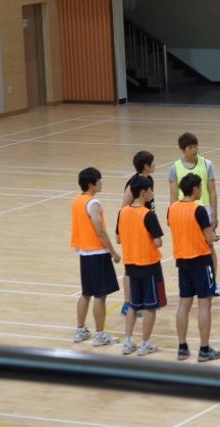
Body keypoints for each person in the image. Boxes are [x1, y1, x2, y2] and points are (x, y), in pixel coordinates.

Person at [167, 173, 220, 362]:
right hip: (200, 260)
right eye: (200, 187)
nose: (201, 190)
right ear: (195, 189)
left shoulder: (172, 208)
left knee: (184, 304)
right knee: (204, 304)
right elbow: (209, 238)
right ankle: (204, 349)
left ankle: (182, 347)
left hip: (182, 261)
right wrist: (214, 237)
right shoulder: (198, 210)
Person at [71, 167, 121, 347]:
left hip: (84, 253)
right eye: (99, 180)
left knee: (86, 293)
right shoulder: (93, 203)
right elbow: (100, 231)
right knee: (100, 295)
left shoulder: (76, 200)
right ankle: (99, 334)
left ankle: (80, 330)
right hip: (97, 253)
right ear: (91, 184)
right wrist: (113, 252)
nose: (101, 183)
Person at [117, 176, 166, 356]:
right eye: (150, 190)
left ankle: (128, 342)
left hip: (130, 264)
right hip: (149, 265)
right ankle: (144, 344)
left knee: (133, 305)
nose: (152, 193)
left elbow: (119, 237)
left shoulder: (123, 212)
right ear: (143, 192)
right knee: (150, 307)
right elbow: (158, 242)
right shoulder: (148, 214)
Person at [169, 132, 220, 295]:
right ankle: (192, 282)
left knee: (209, 246)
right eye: (190, 147)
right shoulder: (175, 168)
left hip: (203, 210)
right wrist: (171, 215)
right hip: (184, 212)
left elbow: (212, 191)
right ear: (183, 149)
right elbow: (173, 195)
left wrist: (214, 214)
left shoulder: (207, 164)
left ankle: (213, 282)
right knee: (188, 245)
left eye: (195, 146)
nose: (194, 150)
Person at [120, 150, 155, 316]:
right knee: (131, 267)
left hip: (145, 226)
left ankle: (140, 300)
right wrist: (119, 231)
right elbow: (123, 208)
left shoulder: (149, 180)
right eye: (152, 162)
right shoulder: (133, 183)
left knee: (143, 265)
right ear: (146, 165)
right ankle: (127, 303)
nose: (155, 165)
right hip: (133, 228)